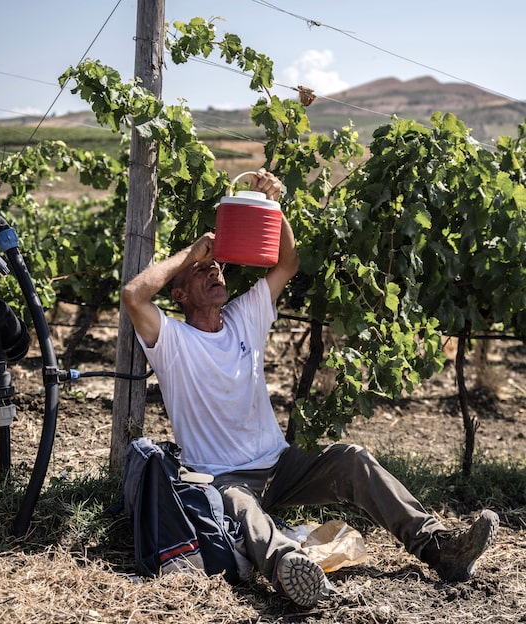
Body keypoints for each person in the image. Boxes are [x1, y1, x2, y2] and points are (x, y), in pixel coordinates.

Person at [122, 169, 499, 608]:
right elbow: (133, 295)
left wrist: (274, 206)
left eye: (217, 266)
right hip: (223, 477)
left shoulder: (245, 316)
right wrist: (191, 252)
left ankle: (439, 548)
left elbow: (288, 263)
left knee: (352, 459)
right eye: (201, 272)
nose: (215, 272)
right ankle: (291, 568)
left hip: (281, 467)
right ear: (180, 295)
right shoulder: (172, 341)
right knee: (240, 505)